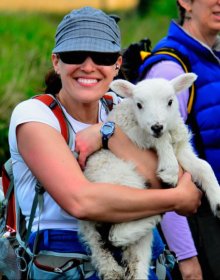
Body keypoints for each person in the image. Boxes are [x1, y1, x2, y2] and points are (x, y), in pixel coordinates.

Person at [8, 6, 202, 279]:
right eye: (75, 55)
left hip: (143, 251)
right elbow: (82, 202)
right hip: (65, 260)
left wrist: (106, 134)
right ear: (56, 61)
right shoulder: (35, 116)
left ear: (117, 65)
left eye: (102, 56)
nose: (88, 66)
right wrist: (174, 199)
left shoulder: (127, 106)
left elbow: (172, 176)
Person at [139, 0, 220, 279]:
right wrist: (187, 260)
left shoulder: (212, 57)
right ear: (185, 2)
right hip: (201, 229)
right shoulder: (170, 70)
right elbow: (161, 170)